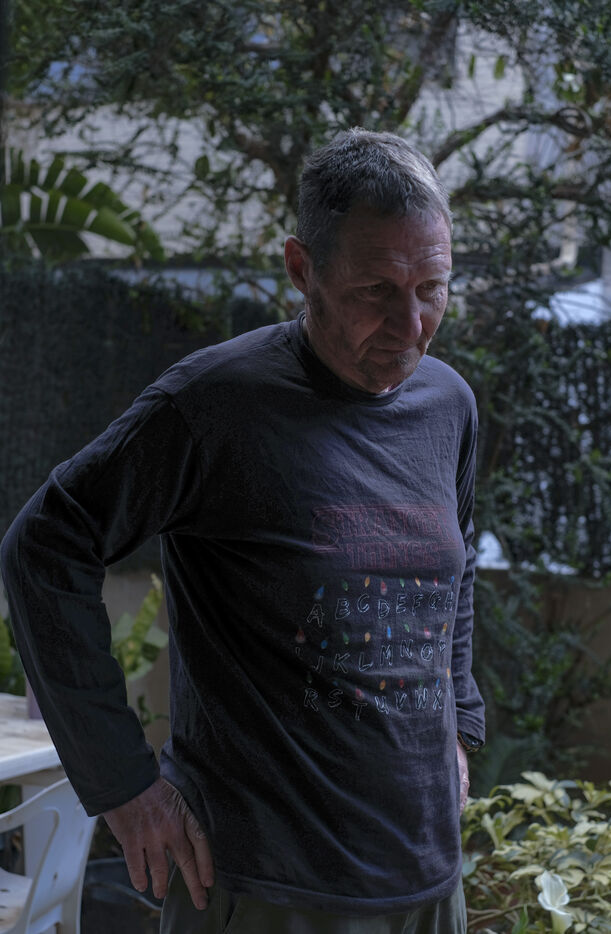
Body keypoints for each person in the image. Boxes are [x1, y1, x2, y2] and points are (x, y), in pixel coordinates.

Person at [0, 128, 485, 934]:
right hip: (262, 886)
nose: (409, 324)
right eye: (375, 291)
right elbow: (44, 547)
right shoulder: (212, 405)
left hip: (426, 881)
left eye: (431, 288)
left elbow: (456, 564)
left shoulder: (447, 406)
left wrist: (460, 724)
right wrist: (123, 786)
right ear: (301, 268)